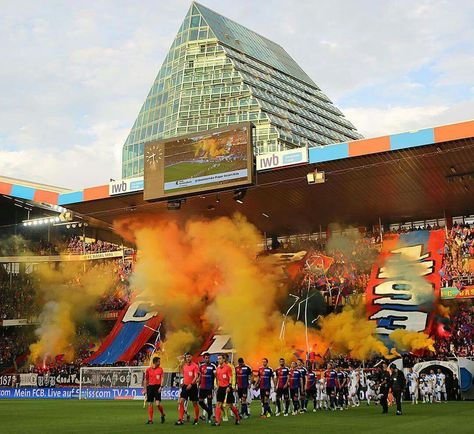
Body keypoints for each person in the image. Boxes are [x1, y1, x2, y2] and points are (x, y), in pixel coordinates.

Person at [213, 354, 241, 426]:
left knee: (231, 405)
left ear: (223, 359)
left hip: (227, 388)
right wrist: (217, 386)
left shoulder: (228, 367)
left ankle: (237, 418)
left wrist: (230, 386)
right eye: (218, 359)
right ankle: (217, 421)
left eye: (220, 359)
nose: (218, 360)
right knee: (218, 404)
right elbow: (217, 379)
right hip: (220, 388)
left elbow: (231, 377)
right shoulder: (218, 368)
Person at [175, 352, 200, 426]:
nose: (188, 358)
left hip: (193, 386)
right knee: (181, 402)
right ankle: (181, 419)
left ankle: (196, 419)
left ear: (191, 357)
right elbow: (182, 372)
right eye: (187, 357)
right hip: (185, 386)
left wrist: (191, 384)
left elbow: (196, 376)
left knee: (194, 403)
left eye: (189, 357)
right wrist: (184, 383)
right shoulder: (184, 366)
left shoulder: (195, 366)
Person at [144, 356, 166, 424]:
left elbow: (162, 378)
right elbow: (146, 380)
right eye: (159, 361)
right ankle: (150, 420)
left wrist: (161, 387)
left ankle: (162, 414)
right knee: (150, 403)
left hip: (157, 387)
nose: (160, 363)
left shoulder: (161, 369)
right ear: (155, 362)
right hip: (150, 387)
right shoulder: (148, 370)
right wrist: (145, 389)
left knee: (157, 404)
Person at [198, 353, 216, 423]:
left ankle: (209, 418)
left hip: (209, 387)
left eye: (208, 358)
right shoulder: (201, 366)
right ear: (204, 358)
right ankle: (209, 411)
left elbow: (215, 376)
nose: (207, 359)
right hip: (202, 387)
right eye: (206, 358)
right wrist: (198, 384)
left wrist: (214, 384)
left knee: (209, 402)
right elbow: (200, 376)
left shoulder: (213, 366)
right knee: (200, 401)